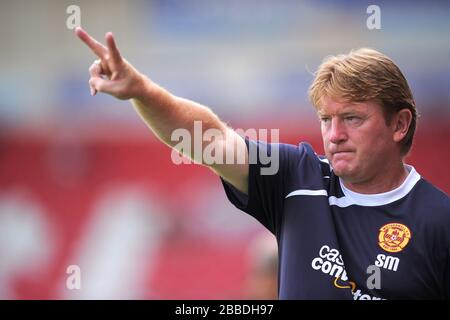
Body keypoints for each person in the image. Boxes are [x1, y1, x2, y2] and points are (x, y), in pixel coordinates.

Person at [75, 27, 450, 300]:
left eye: (352, 118)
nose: (333, 135)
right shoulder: (295, 177)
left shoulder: (439, 222)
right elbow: (211, 140)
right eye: (325, 119)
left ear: (400, 124)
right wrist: (142, 90)